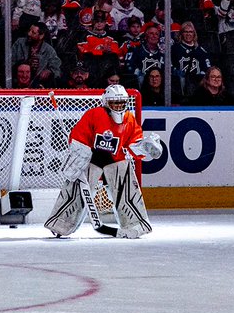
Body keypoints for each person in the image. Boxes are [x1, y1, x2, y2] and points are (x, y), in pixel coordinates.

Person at [43, 84, 162, 239]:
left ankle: (135, 223)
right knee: (75, 190)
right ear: (106, 103)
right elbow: (79, 136)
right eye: (115, 103)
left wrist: (144, 148)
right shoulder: (95, 114)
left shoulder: (129, 119)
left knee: (125, 183)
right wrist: (78, 156)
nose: (119, 107)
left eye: (122, 103)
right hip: (91, 161)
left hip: (115, 162)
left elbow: (133, 143)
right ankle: (61, 223)